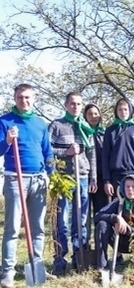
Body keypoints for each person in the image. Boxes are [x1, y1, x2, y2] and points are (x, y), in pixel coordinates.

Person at [0, 84, 54, 288]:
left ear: (34, 98)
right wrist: (7, 140)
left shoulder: (40, 123)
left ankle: (36, 267)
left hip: (38, 179)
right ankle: (8, 273)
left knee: (38, 227)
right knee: (12, 227)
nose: (24, 101)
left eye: (28, 97)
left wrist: (51, 175)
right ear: (15, 98)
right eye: (20, 97)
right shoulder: (5, 121)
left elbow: (47, 152)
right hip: (15, 179)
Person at [49, 92, 97, 274]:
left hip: (83, 178)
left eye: (78, 104)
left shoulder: (86, 128)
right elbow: (47, 150)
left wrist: (93, 177)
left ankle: (80, 259)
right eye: (72, 104)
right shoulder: (57, 126)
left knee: (81, 221)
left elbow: (92, 155)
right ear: (66, 105)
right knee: (62, 222)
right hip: (63, 179)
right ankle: (60, 260)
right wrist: (66, 153)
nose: (75, 107)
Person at [94, 174, 134, 269]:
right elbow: (97, 216)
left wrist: (129, 230)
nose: (130, 189)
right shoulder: (119, 202)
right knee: (102, 224)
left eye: (133, 186)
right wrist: (116, 218)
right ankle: (103, 266)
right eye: (127, 186)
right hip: (119, 241)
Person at [102, 98, 134, 199]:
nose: (123, 112)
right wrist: (107, 181)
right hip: (117, 176)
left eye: (125, 109)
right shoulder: (110, 131)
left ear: (130, 111)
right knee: (119, 206)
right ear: (116, 112)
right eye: (120, 110)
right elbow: (105, 156)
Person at [84, 103, 110, 215]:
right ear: (85, 116)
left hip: (101, 178)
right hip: (85, 176)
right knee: (84, 213)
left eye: (95, 113)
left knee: (101, 212)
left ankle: (99, 233)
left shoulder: (105, 134)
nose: (93, 116)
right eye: (90, 114)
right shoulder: (82, 132)